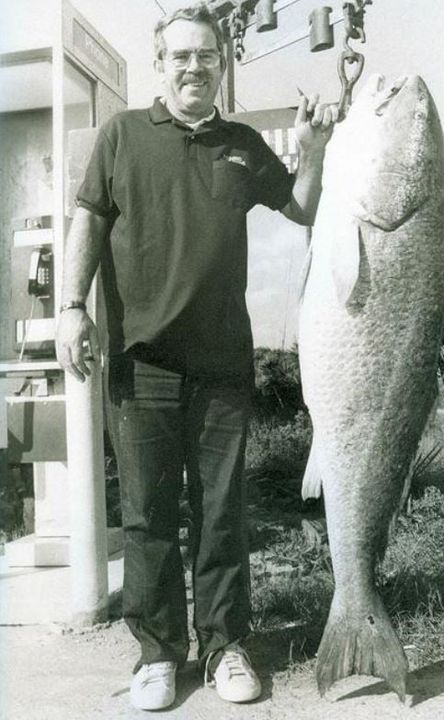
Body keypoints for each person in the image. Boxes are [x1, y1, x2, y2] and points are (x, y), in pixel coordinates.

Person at [56, 3, 337, 712]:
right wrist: (69, 309)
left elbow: (302, 208)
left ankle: (225, 647)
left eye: (206, 56)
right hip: (141, 361)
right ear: (161, 63)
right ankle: (157, 654)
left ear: (222, 63)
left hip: (221, 366)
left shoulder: (241, 143)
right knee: (148, 515)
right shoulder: (122, 136)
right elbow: (86, 221)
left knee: (220, 513)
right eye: (180, 56)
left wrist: (314, 147)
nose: (193, 66)